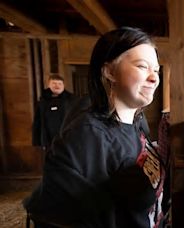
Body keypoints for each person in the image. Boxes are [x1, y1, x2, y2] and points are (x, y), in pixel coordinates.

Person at [24, 27, 168, 228]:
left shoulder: (137, 121)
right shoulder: (88, 135)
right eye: (143, 66)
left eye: (156, 70)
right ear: (109, 71)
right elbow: (57, 217)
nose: (154, 78)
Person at [32, 75, 76, 149]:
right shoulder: (43, 101)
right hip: (48, 141)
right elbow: (37, 123)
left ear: (63, 85)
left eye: (59, 83)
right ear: (49, 85)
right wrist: (37, 142)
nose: (57, 86)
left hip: (67, 140)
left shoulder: (72, 100)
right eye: (54, 83)